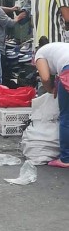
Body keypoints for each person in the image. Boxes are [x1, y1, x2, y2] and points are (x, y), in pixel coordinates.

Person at [34, 40, 69, 168]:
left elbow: (45, 78)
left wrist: (50, 90)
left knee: (66, 116)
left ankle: (65, 159)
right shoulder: (60, 47)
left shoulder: (40, 54)